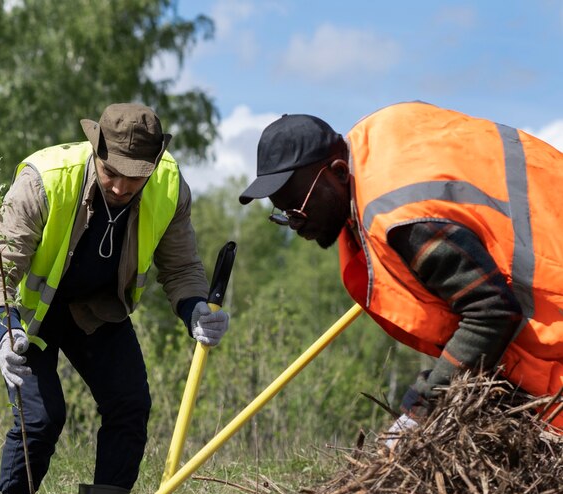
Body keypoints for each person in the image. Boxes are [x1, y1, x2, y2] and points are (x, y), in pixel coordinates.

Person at [0, 103, 231, 494]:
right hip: (28, 316)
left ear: (155, 164)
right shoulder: (45, 179)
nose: (120, 186)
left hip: (95, 311)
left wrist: (195, 308)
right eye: (112, 172)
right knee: (41, 418)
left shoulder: (169, 188)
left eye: (135, 177)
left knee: (130, 404)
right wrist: (4, 328)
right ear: (96, 148)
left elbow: (180, 267)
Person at [238, 101, 563, 438]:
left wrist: (421, 409)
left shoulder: (403, 219)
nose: (294, 224)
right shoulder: (376, 146)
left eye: (298, 209)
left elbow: (490, 312)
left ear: (337, 172)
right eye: (282, 214)